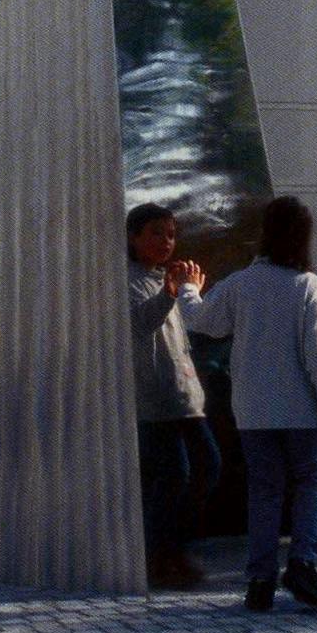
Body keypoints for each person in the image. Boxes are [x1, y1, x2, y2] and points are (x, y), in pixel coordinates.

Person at [177, 195, 317, 612]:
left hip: (252, 409)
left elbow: (203, 321)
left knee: (264, 491)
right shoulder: (310, 288)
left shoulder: (242, 284)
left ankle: (260, 579)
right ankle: (302, 562)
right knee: (310, 482)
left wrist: (188, 290)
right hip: (300, 409)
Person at [126, 202, 221, 589]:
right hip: (155, 399)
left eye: (171, 234)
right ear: (133, 237)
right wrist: (169, 294)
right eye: (156, 233)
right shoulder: (128, 280)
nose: (166, 242)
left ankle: (170, 550)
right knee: (174, 476)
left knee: (206, 467)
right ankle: (159, 555)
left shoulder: (164, 279)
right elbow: (138, 324)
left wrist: (190, 293)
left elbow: (186, 334)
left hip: (183, 394)